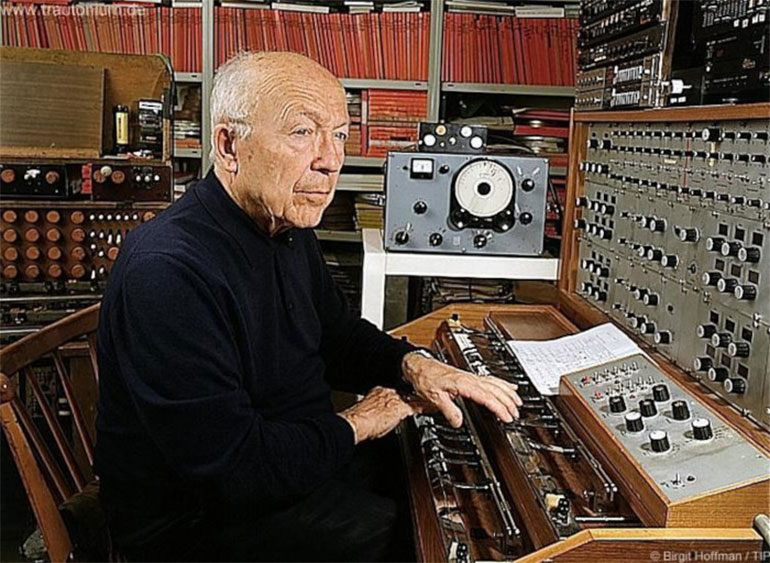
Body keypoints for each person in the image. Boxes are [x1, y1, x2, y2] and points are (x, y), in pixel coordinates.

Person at [95, 51, 521, 562]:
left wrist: (415, 366)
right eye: (302, 133)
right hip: (200, 524)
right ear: (229, 146)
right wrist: (363, 420)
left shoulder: (285, 224)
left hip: (289, 465)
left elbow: (337, 336)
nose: (330, 160)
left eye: (339, 135)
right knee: (432, 539)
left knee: (441, 472)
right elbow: (235, 469)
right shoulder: (168, 271)